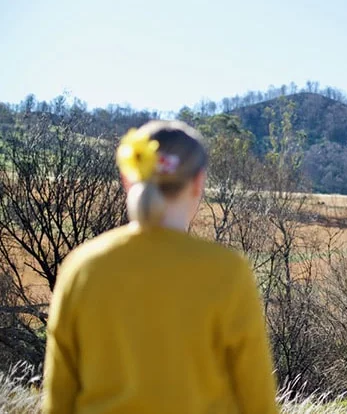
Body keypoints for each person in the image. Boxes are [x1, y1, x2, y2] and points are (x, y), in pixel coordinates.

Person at [43, 121, 280, 414]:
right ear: (198, 182)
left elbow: (59, 396)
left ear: (127, 179)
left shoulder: (81, 267)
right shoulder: (227, 272)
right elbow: (257, 398)